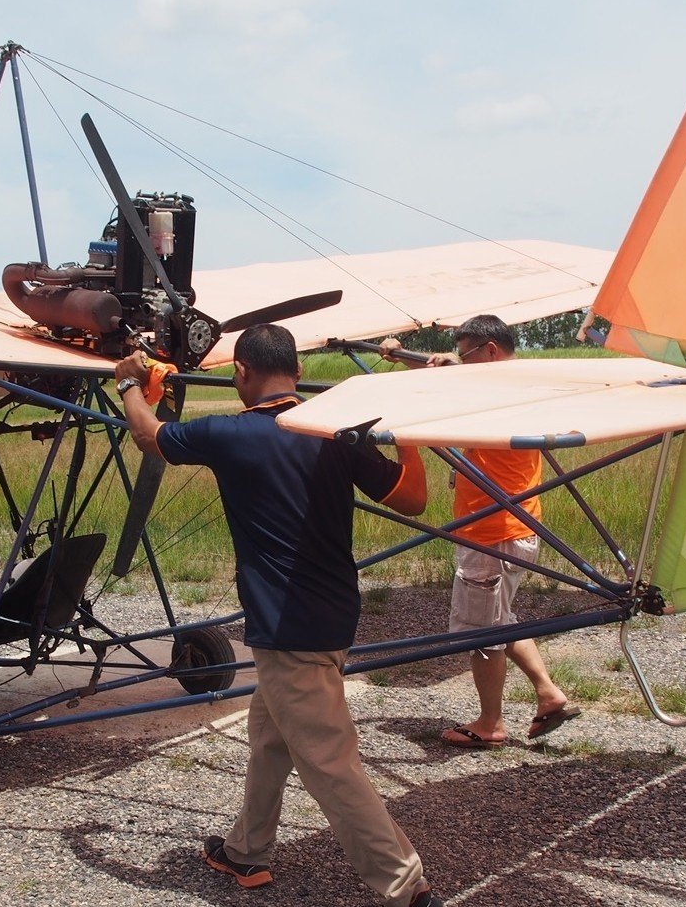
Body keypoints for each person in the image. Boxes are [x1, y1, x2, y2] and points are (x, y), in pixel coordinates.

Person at [115, 324, 443, 907]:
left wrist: (130, 386)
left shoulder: (230, 434)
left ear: (241, 372)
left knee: (328, 762)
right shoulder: (335, 432)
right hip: (330, 617)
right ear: (293, 369)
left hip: (289, 629)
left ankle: (405, 885)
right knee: (270, 737)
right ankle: (246, 852)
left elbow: (147, 436)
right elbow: (414, 500)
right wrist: (406, 436)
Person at [383, 315, 580, 749]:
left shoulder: (507, 390)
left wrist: (433, 367)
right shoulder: (512, 389)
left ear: (491, 351)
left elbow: (468, 387)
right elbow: (457, 386)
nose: (461, 360)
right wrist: (409, 360)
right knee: (499, 619)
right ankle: (549, 694)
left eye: (468, 352)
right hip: (511, 529)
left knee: (482, 634)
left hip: (494, 535)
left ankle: (490, 724)